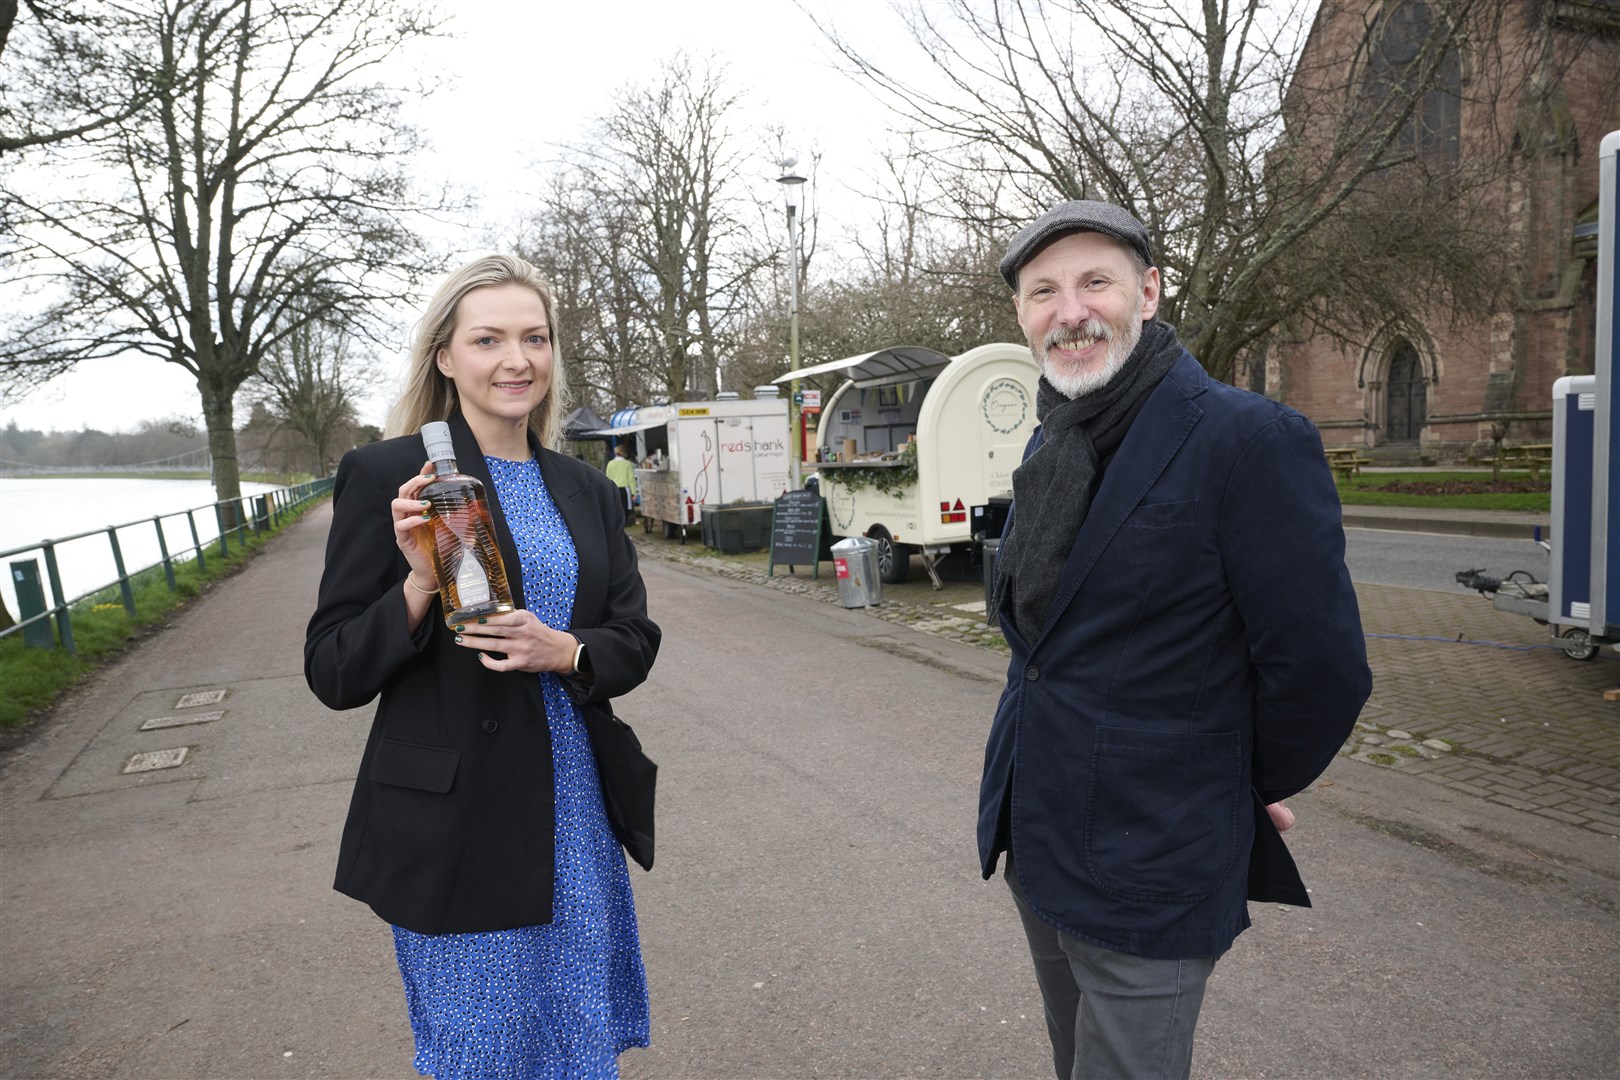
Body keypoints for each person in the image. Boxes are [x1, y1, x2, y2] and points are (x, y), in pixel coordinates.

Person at [980, 201, 1371, 1080]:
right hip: (1039, 840)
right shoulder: (1055, 438)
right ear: (1021, 315)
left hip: (1151, 860)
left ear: (1148, 294)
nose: (1069, 310)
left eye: (1095, 283)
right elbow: (1045, 647)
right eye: (1043, 291)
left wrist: (1237, 782)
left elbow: (1322, 670)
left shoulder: (1247, 440)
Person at [304, 254, 661, 1079]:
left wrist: (564, 650)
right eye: (489, 339)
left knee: (574, 1043)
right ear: (446, 357)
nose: (516, 360)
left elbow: (634, 639)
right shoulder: (391, 475)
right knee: (481, 1051)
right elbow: (332, 669)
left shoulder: (585, 488)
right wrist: (419, 582)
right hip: (456, 820)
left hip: (571, 810)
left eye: (534, 338)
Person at [605, 441, 637, 517]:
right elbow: (631, 479)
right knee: (625, 510)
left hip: (614, 490)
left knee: (616, 510)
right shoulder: (627, 463)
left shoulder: (610, 463)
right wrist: (634, 493)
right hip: (625, 490)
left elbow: (607, 478)